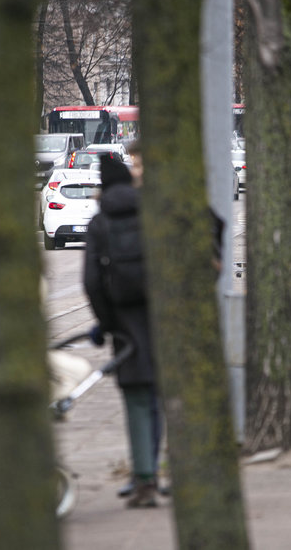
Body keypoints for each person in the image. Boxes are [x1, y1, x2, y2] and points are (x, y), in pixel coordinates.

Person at [83, 151, 162, 508]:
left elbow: (92, 282)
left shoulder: (100, 223)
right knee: (158, 396)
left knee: (135, 398)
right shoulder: (152, 212)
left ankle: (143, 478)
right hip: (160, 319)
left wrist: (107, 323)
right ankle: (155, 472)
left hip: (124, 324)